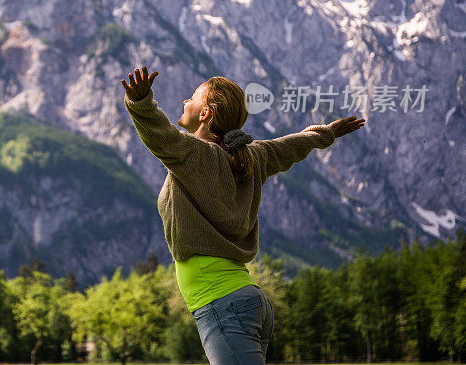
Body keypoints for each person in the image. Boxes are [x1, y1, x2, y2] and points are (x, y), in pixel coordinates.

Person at [121, 66, 365, 365]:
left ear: (205, 114)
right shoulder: (251, 156)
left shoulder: (195, 155)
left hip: (223, 303)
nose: (185, 100)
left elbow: (161, 135)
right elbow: (287, 148)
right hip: (240, 301)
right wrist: (322, 134)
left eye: (193, 97)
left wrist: (141, 101)